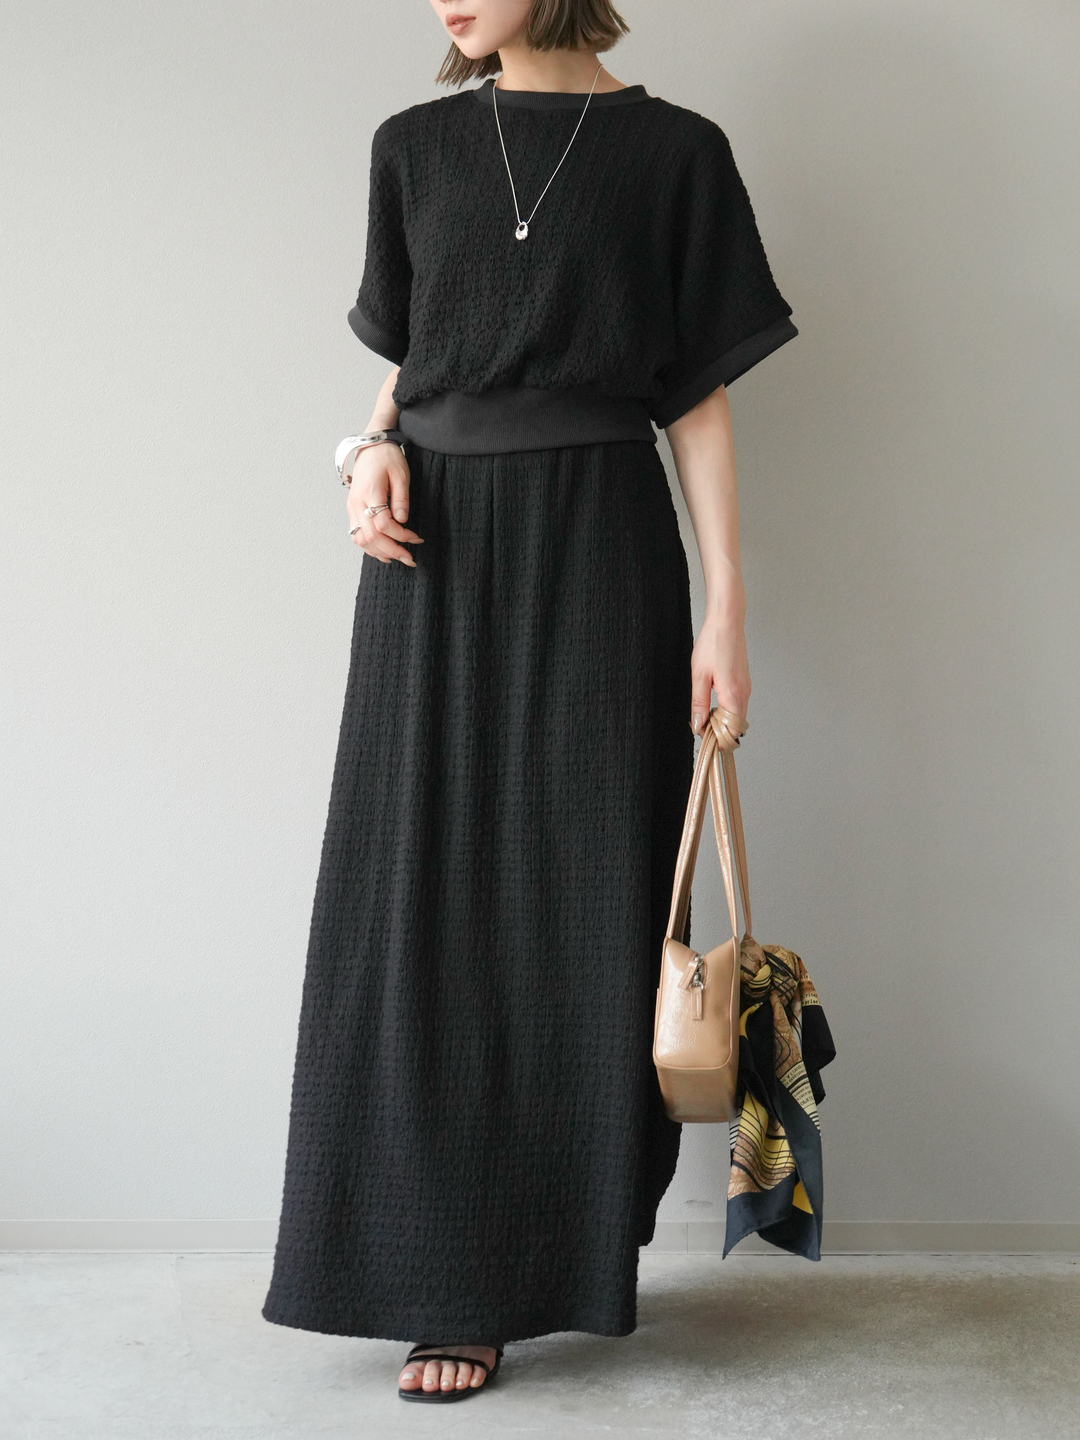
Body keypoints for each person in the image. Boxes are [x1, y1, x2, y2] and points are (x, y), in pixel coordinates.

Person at [261, 0, 798, 1404]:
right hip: (434, 557)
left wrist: (727, 609)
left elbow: (696, 398)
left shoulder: (676, 154)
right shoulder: (414, 147)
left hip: (601, 545)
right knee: (420, 894)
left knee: (582, 896)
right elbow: (410, 357)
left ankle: (547, 1260)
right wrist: (362, 453)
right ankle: (441, 1278)